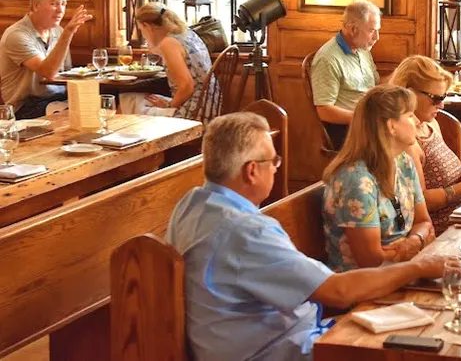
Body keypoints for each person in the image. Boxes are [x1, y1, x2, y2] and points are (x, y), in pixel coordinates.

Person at [167, 112, 446, 361]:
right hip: (277, 349)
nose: (276, 166)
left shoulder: (193, 203)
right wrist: (417, 268)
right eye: (273, 160)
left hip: (259, 337)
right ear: (252, 171)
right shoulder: (245, 230)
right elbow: (338, 292)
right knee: (426, 342)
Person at [321, 85, 435, 272]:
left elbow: (424, 222)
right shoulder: (356, 181)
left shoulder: (404, 161)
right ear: (392, 126)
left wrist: (415, 240)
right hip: (364, 285)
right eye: (410, 115)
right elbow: (371, 260)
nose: (417, 121)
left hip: (401, 270)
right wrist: (410, 249)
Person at [390, 55, 461, 234]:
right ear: (408, 94)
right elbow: (417, 202)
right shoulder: (405, 140)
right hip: (440, 231)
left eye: (443, 97)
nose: (442, 105)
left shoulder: (430, 124)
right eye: (435, 98)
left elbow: (436, 179)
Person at [0, 0, 92, 118]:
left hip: (58, 98)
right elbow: (48, 71)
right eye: (54, 4)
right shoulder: (16, 35)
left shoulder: (58, 31)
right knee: (81, 113)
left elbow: (67, 72)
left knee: (102, 101)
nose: (60, 10)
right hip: (26, 106)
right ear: (36, 5)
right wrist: (69, 33)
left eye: (63, 4)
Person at [118, 2, 216, 121]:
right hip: (208, 106)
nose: (143, 34)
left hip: (192, 112)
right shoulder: (187, 33)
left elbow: (187, 86)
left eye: (141, 29)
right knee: (135, 98)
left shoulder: (169, 43)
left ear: (148, 27)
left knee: (126, 101)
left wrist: (170, 105)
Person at [311, 0, 380, 149]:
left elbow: (376, 85)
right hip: (346, 130)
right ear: (352, 29)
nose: (376, 37)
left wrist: (400, 75)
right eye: (372, 31)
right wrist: (364, 119)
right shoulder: (328, 59)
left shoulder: (363, 50)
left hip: (367, 122)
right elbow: (324, 110)